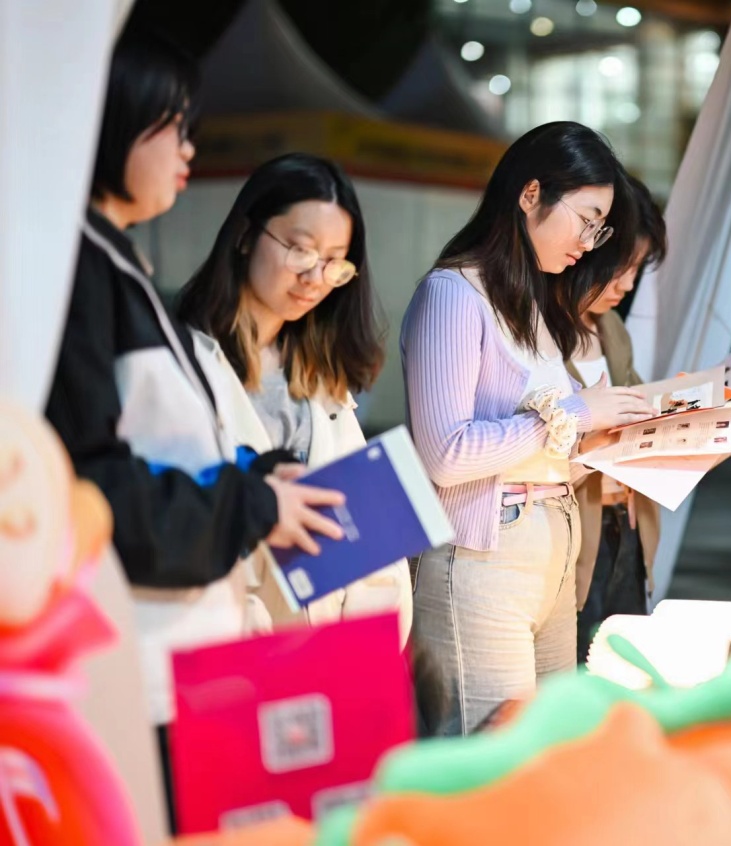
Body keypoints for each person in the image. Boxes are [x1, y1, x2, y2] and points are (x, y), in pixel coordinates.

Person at [42, 25, 343, 828]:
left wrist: (255, 479)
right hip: (129, 665)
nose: (188, 147)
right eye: (170, 124)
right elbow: (91, 484)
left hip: (179, 659)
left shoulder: (117, 264)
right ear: (110, 120)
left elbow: (165, 449)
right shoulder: (77, 271)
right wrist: (252, 505)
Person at [402, 121, 656, 735]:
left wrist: (619, 438)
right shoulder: (453, 294)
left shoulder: (534, 304)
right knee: (497, 763)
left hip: (551, 552)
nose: (590, 243)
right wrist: (574, 418)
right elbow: (445, 452)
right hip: (483, 558)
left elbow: (552, 442)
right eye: (587, 219)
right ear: (530, 194)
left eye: (601, 228)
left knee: (549, 754)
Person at [176, 152, 413, 647]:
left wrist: (362, 645)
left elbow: (371, 543)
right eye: (301, 250)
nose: (314, 278)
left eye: (334, 263)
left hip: (330, 653)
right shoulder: (186, 365)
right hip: (229, 645)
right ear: (245, 234)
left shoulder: (321, 375)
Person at [567, 175, 666, 662]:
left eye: (638, 270)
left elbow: (640, 406)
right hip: (574, 537)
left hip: (626, 526)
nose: (626, 285)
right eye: (622, 268)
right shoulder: (541, 331)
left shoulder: (611, 328)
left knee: (627, 668)